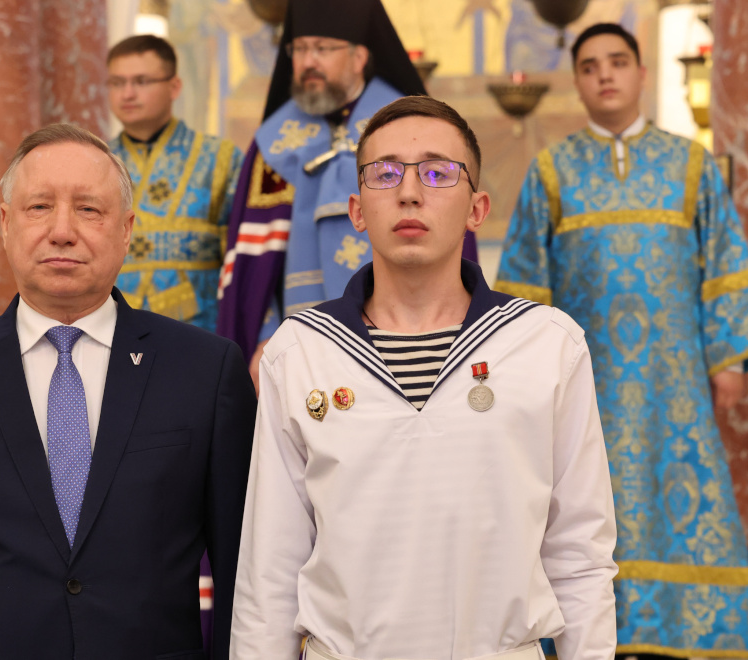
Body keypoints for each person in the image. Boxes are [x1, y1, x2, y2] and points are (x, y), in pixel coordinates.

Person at [231, 95, 618, 660]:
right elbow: (270, 568)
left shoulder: (546, 344)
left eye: (438, 173)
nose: (409, 192)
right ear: (357, 210)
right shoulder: (301, 351)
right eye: (385, 174)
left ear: (477, 209)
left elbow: (580, 554)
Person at [0, 123, 257, 660]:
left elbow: (244, 576)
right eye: (39, 207)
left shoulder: (206, 371)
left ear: (126, 229)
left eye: (89, 209)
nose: (62, 231)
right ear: (6, 225)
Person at [495, 23, 748, 657]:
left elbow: (726, 264)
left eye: (616, 62)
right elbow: (525, 280)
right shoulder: (552, 170)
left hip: (676, 385)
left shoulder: (691, 164)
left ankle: (681, 634)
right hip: (587, 383)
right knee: (582, 506)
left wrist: (727, 358)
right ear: (578, 82)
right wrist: (526, 377)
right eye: (589, 66)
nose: (604, 74)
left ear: (641, 74)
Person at [217, 0, 478, 388]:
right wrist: (265, 334)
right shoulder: (274, 144)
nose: (308, 61)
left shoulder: (412, 132)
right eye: (300, 49)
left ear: (359, 57)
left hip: (411, 332)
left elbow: (449, 228)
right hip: (299, 346)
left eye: (322, 48)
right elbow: (255, 256)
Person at [106, 35, 242, 333]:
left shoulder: (219, 158)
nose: (127, 93)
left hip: (200, 329)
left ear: (174, 87)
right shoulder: (95, 162)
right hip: (110, 328)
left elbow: (244, 259)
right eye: (117, 83)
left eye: (141, 81)